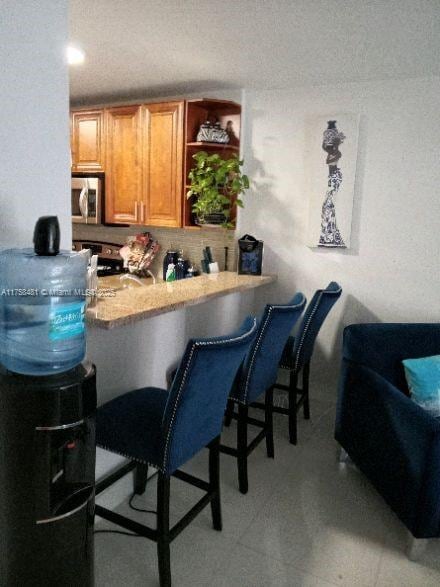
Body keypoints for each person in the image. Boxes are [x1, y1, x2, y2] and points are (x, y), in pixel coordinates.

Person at [318, 120, 346, 247]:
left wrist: (335, 140)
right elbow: (324, 147)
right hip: (331, 178)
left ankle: (330, 237)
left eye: (330, 140)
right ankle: (328, 236)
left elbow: (327, 147)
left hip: (335, 178)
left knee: (328, 205)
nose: (326, 143)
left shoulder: (336, 153)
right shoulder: (331, 152)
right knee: (327, 207)